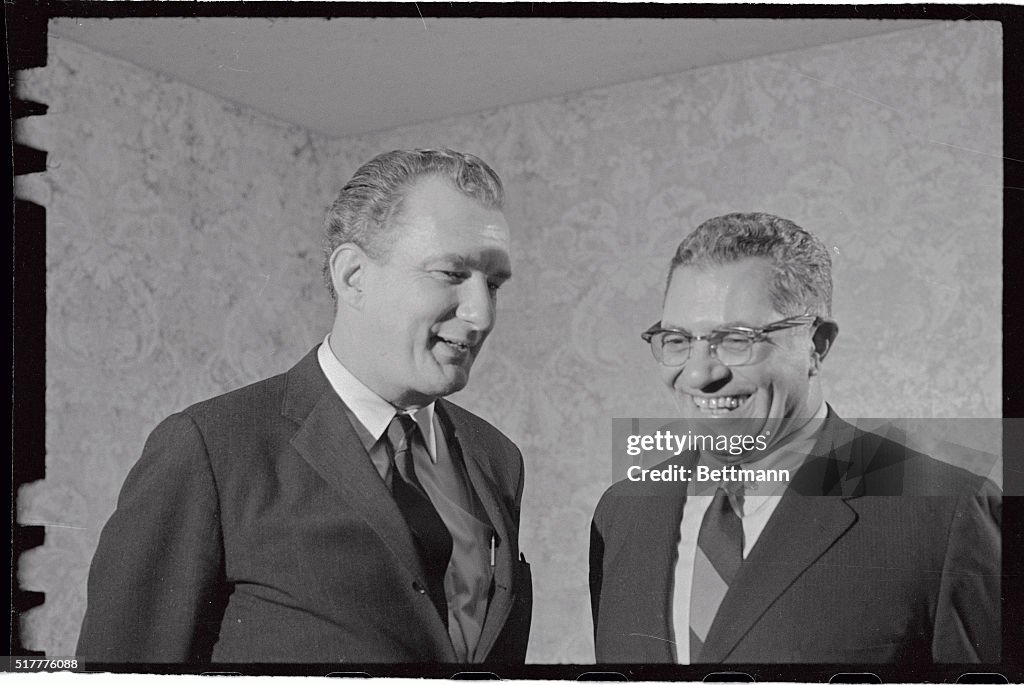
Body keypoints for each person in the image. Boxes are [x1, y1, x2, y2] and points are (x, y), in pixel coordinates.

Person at [77, 149, 532, 664]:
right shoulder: (209, 448)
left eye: (493, 285)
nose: (481, 314)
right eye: (452, 274)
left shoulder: (496, 458)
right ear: (353, 275)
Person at [589, 212, 1000, 664]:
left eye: (737, 339)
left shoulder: (944, 513)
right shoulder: (623, 513)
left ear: (816, 345)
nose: (699, 373)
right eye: (678, 339)